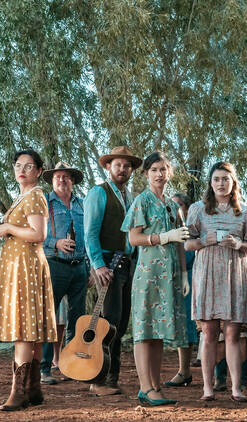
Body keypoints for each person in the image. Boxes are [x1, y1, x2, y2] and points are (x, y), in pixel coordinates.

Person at [184, 162, 247, 402]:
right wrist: (205, 241)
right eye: (216, 179)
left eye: (225, 179)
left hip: (234, 274)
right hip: (207, 274)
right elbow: (188, 243)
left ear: (233, 182)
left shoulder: (246, 211)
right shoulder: (198, 209)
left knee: (233, 334)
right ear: (210, 182)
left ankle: (236, 388)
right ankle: (208, 388)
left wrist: (239, 245)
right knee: (208, 333)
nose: (220, 183)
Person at [0, 149, 57, 411]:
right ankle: (33, 389)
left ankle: (18, 393)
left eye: (29, 166)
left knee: (24, 329)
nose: (22, 170)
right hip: (22, 267)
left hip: (27, 268)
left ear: (39, 172)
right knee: (32, 331)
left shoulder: (36, 194)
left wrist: (7, 228)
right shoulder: (24, 196)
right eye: (18, 165)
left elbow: (39, 233)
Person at [121, 151, 190, 406]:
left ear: (169, 172)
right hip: (148, 275)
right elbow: (133, 238)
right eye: (154, 170)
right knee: (144, 331)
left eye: (163, 169)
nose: (159, 174)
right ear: (146, 174)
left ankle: (157, 385)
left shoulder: (172, 206)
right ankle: (144, 387)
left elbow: (181, 240)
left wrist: (184, 274)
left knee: (158, 332)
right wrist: (162, 237)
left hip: (169, 276)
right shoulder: (142, 201)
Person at [83, 146, 142, 396]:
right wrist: (98, 265)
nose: (123, 169)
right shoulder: (99, 192)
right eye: (118, 164)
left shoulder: (130, 196)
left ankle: (112, 378)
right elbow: (90, 233)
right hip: (106, 263)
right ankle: (98, 381)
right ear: (108, 167)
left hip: (126, 264)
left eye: (127, 166)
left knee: (120, 322)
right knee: (107, 322)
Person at [39, 162, 88, 385]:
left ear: (73, 181)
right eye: (58, 176)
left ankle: (70, 366)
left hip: (79, 267)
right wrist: (55, 242)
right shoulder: (44, 203)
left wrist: (89, 265)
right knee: (49, 317)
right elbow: (36, 236)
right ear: (52, 180)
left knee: (77, 320)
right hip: (55, 265)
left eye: (66, 177)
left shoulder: (82, 204)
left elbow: (89, 234)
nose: (61, 180)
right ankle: (44, 368)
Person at [164, 192, 198, 388]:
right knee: (179, 322)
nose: (175, 209)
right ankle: (183, 370)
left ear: (186, 208)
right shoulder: (169, 228)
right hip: (173, 277)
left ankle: (185, 370)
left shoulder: (192, 226)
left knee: (187, 322)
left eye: (178, 205)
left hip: (192, 277)